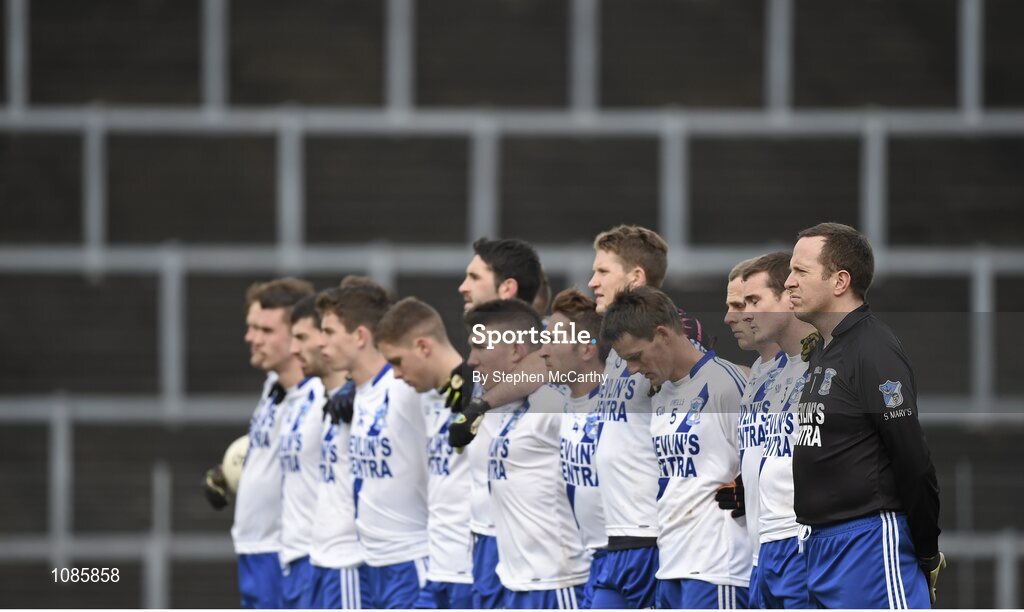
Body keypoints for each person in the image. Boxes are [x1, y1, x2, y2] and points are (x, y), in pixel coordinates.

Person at [787, 222, 943, 608]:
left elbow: (913, 458)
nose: (788, 282)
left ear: (840, 281)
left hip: (869, 543)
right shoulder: (825, 350)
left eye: (800, 271)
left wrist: (925, 550)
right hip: (821, 545)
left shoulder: (873, 349)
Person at [602, 287, 751, 609]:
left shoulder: (724, 384)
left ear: (661, 334)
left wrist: (747, 488)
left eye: (636, 356)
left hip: (718, 566)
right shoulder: (662, 393)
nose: (632, 369)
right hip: (671, 563)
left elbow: (761, 462)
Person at [465, 299, 590, 608]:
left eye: (480, 347)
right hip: (510, 580)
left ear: (516, 351)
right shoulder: (490, 403)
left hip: (557, 584)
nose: (471, 360)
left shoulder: (554, 402)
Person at [317, 283, 430, 609]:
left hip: (409, 561)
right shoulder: (356, 395)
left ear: (360, 336)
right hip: (372, 563)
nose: (321, 341)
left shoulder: (404, 389)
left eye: (329, 331)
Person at [375, 297, 475, 608]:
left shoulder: (485, 395)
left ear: (423, 347)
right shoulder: (424, 398)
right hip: (437, 571)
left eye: (397, 361)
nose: (394, 374)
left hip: (471, 576)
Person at [227, 278, 315, 608]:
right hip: (254, 548)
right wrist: (230, 474)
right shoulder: (273, 386)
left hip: (284, 552)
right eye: (251, 328)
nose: (251, 338)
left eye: (264, 330)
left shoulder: (322, 396)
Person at [737, 252, 814, 608]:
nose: (742, 314)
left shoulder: (827, 364)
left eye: (753, 300)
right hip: (763, 545)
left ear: (788, 296)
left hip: (799, 541)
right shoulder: (768, 371)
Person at [538, 289, 608, 609]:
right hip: (589, 564)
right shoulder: (563, 403)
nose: (544, 349)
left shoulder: (625, 403)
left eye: (553, 339)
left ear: (586, 350)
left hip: (627, 562)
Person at [296, 291, 364, 609]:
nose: (320, 343)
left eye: (327, 332)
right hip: (319, 558)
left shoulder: (363, 401)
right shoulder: (327, 401)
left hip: (347, 560)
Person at [722, 257, 782, 608]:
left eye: (744, 304)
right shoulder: (756, 372)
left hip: (795, 549)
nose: (732, 317)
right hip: (759, 554)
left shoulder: (812, 368)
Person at [276, 296, 329, 608]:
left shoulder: (329, 393)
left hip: (318, 555)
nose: (293, 349)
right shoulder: (293, 394)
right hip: (292, 555)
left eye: (301, 338)